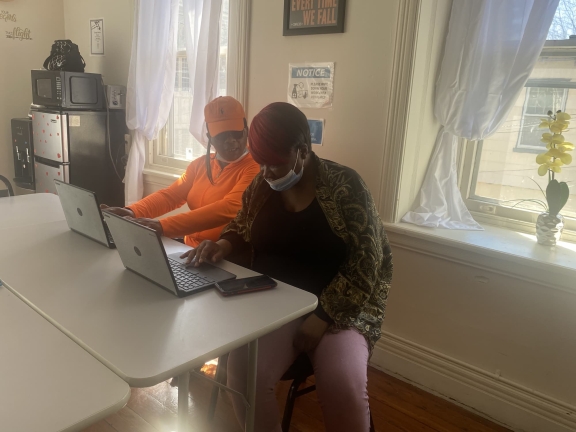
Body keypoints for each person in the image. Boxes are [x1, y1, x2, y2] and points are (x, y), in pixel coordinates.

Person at [183, 102, 393, 432]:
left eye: (275, 164)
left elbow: (368, 262)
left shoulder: (344, 186)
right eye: (260, 162)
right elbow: (242, 225)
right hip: (275, 301)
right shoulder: (262, 185)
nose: (265, 172)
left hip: (340, 307)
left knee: (342, 384)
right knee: (242, 374)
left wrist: (323, 316)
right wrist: (221, 245)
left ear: (303, 151)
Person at [101, 96, 260, 247]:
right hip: (189, 251)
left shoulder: (255, 167)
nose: (231, 140)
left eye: (237, 133)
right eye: (222, 135)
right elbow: (170, 196)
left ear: (246, 131)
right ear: (209, 137)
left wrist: (162, 226)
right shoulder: (199, 165)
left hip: (225, 256)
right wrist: (130, 211)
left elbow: (227, 209)